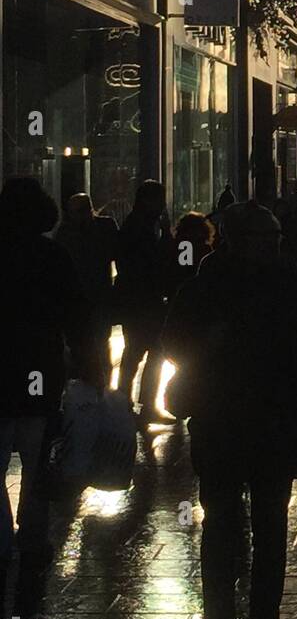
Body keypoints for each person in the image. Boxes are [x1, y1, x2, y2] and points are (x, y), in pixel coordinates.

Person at [164, 201, 297, 619]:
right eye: (263, 239)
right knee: (243, 522)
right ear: (236, 241)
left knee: (244, 522)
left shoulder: (211, 287)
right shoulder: (285, 288)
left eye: (274, 239)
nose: (271, 247)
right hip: (245, 422)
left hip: (244, 422)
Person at [1, 177, 95, 589]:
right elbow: (77, 314)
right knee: (38, 458)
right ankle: (33, 536)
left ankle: (3, 541)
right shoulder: (52, 255)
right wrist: (90, 363)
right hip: (40, 366)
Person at [114, 180, 175, 422]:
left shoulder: (138, 225)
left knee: (136, 353)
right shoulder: (142, 228)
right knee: (146, 351)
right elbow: (154, 261)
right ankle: (141, 404)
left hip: (138, 300)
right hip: (143, 301)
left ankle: (127, 402)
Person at [54, 192, 118, 381]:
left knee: (96, 343)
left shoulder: (68, 232)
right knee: (87, 344)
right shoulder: (69, 232)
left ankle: (97, 384)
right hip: (83, 298)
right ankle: (95, 384)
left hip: (95, 297)